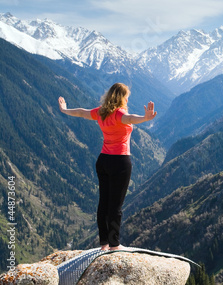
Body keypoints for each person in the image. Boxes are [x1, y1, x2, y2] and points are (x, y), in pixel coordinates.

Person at [58, 83, 157, 251]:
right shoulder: (119, 113)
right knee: (115, 206)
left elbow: (81, 112)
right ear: (121, 97)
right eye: (127, 97)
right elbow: (130, 118)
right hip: (120, 162)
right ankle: (114, 245)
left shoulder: (101, 112)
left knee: (103, 203)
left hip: (103, 161)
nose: (127, 100)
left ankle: (104, 242)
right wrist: (144, 118)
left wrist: (65, 110)